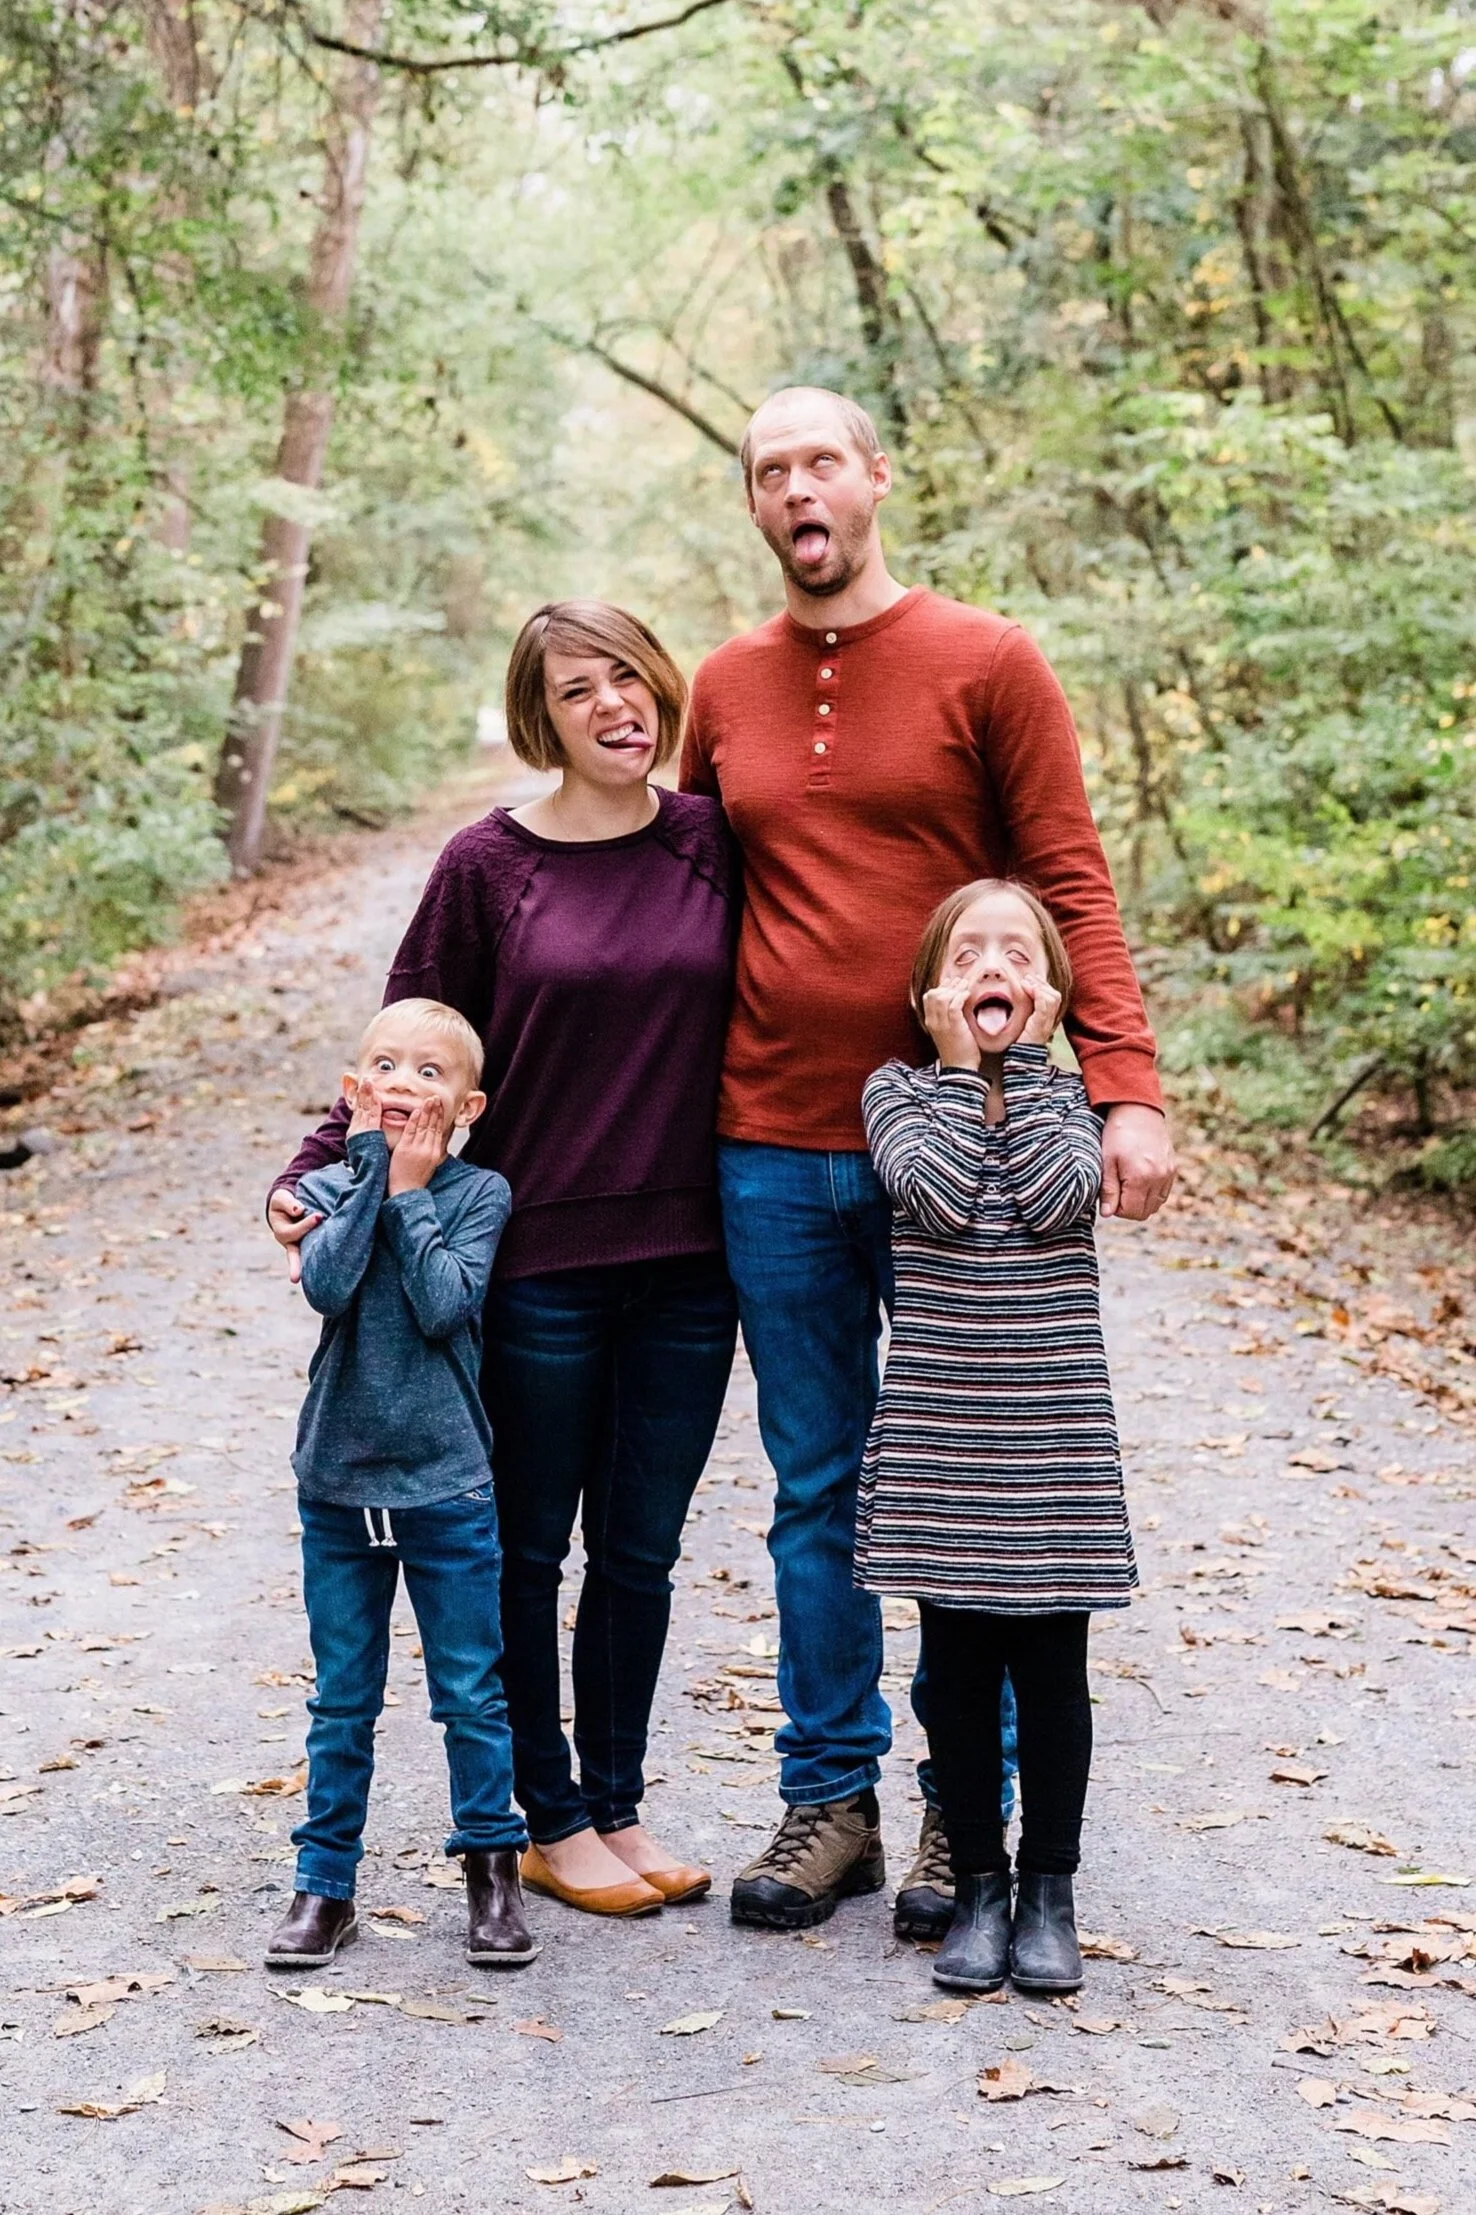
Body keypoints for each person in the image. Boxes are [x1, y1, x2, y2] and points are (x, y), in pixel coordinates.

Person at [679, 385, 1172, 1935]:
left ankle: (977, 1821)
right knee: (815, 1485)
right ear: (756, 507)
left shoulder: (990, 660)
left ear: (877, 478)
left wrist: (1128, 1090)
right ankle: (834, 1798)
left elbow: (1073, 882)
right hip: (771, 1140)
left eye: (822, 458)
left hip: (978, 1150)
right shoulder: (725, 683)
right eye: (771, 471)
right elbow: (674, 902)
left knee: (992, 1489)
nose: (798, 487)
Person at [270, 601, 738, 1917]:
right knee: (529, 1548)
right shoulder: (490, 864)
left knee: (640, 1549)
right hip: (534, 1270)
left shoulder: (711, 842)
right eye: (579, 688)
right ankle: (547, 1810)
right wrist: (311, 1168)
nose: (615, 705)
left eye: (631, 677)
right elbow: (407, 1036)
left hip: (691, 1265)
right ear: (545, 717)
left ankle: (619, 1801)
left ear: (663, 688)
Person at [858, 880, 1135, 1993]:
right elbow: (938, 1197)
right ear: (930, 988)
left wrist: (1021, 1072)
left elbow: (1054, 1192)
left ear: (1053, 993)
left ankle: (1050, 1887)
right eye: (967, 952)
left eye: (1016, 953)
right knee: (958, 1666)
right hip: (943, 1430)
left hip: (1052, 1432)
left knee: (1054, 1671)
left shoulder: (1075, 1105)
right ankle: (978, 1881)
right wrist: (962, 1074)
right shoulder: (893, 1094)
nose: (992, 969)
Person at [269, 997, 536, 1971]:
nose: (404, 1084)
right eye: (387, 1065)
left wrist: (412, 1190)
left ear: (466, 1104)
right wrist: (374, 1178)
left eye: (430, 1074)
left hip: (444, 1488)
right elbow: (330, 1287)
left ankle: (492, 1877)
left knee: (469, 1690)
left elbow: (443, 1305)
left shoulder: (480, 1194)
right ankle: (325, 1884)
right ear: (352, 1091)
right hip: (337, 1485)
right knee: (343, 1697)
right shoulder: (330, 1185)